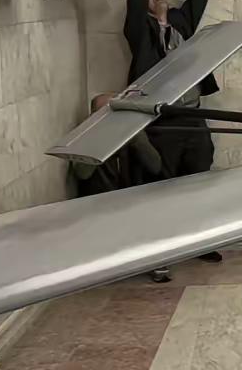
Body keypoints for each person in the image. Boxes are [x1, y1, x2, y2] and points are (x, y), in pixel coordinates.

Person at [125, 0, 223, 264]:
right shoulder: (140, 31)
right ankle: (160, 255)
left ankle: (200, 241)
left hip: (193, 116)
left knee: (199, 178)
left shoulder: (182, 21)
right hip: (161, 119)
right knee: (161, 185)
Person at [71, 93, 174, 282]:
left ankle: (154, 261)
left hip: (131, 195)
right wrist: (100, 140)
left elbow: (155, 165)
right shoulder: (86, 137)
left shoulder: (132, 133)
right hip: (101, 200)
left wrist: (137, 140)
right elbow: (82, 173)